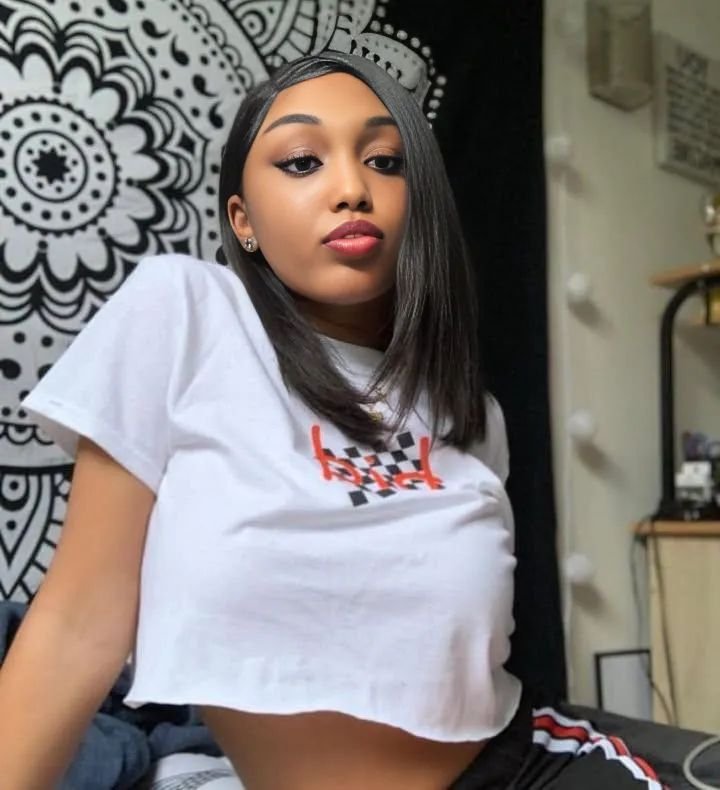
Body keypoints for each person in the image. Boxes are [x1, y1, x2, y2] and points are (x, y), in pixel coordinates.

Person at [1, 51, 664, 789]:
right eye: (301, 161)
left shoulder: (469, 415)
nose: (352, 188)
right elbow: (76, 628)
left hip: (526, 767)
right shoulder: (187, 312)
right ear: (242, 221)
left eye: (384, 161)